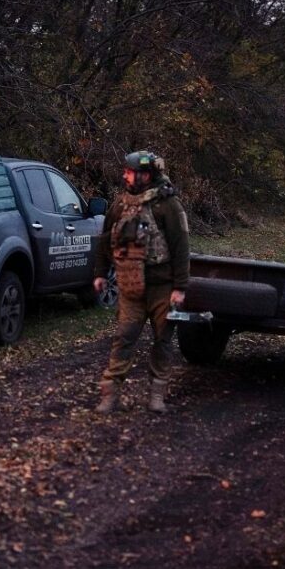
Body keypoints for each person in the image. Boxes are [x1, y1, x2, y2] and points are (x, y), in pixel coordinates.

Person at [92, 150, 189, 414]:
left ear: (145, 175)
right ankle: (110, 395)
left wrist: (180, 288)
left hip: (162, 286)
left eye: (129, 171)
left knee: (163, 340)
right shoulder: (121, 204)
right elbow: (104, 239)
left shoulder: (168, 205)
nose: (125, 175)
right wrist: (100, 273)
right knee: (124, 337)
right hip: (130, 285)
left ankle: (157, 395)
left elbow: (181, 247)